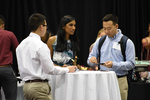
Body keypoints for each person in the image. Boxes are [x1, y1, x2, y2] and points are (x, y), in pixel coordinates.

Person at [16, 13, 77, 100]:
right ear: (41, 27)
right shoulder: (40, 45)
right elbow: (49, 69)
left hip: (26, 87)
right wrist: (67, 69)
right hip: (39, 87)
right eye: (45, 26)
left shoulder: (20, 45)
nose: (46, 29)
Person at [87, 14, 135, 100]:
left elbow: (131, 64)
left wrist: (114, 64)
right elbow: (89, 59)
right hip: (102, 80)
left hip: (119, 80)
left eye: (109, 28)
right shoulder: (100, 41)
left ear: (116, 26)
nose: (106, 31)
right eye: (104, 28)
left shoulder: (126, 42)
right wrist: (92, 60)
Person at [0, 15, 19, 100]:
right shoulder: (9, 34)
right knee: (11, 98)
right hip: (6, 69)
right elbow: (18, 51)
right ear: (3, 25)